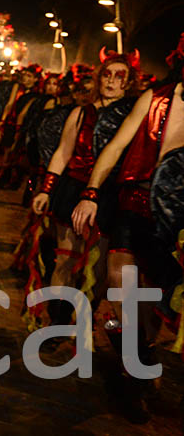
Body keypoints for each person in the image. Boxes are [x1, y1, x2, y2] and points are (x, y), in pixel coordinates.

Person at [71, 35, 184, 424]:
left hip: (177, 217)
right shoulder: (153, 98)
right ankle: (132, 379)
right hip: (133, 203)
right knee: (120, 283)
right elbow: (116, 146)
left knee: (153, 306)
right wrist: (90, 192)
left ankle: (139, 353)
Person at [29, 51, 139, 331]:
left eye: (119, 76)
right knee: (65, 258)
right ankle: (57, 321)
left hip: (109, 195)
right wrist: (46, 190)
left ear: (128, 83)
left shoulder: (133, 117)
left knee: (100, 267)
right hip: (72, 188)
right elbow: (63, 153)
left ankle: (84, 320)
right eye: (107, 74)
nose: (111, 81)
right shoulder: (80, 113)